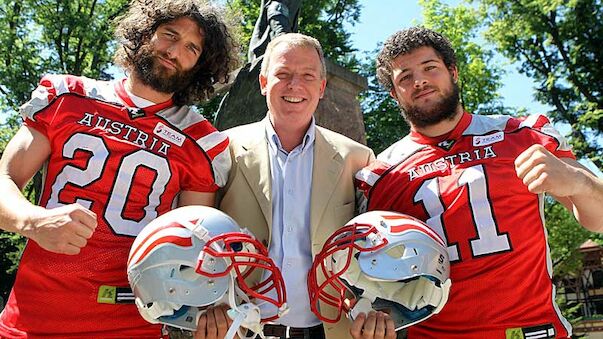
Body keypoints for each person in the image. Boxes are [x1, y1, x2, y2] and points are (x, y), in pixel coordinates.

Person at [0, 0, 238, 337]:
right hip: (32, 317)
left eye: (191, 47)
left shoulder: (202, 142)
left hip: (133, 323)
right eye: (169, 34)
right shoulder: (67, 97)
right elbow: (4, 179)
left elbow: (195, 242)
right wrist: (33, 221)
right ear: (144, 32)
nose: (174, 51)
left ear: (201, 63)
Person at [355, 26, 603, 338]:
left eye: (430, 68)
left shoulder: (522, 135)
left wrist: (579, 182)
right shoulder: (382, 173)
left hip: (528, 330)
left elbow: (600, 218)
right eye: (405, 77)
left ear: (453, 72)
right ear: (394, 93)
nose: (419, 81)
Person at [196, 33, 399, 339]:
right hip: (239, 328)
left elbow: (374, 250)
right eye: (283, 74)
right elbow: (197, 235)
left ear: (321, 87)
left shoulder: (357, 158)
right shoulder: (222, 149)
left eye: (307, 75)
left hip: (330, 330)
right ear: (263, 82)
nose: (295, 85)